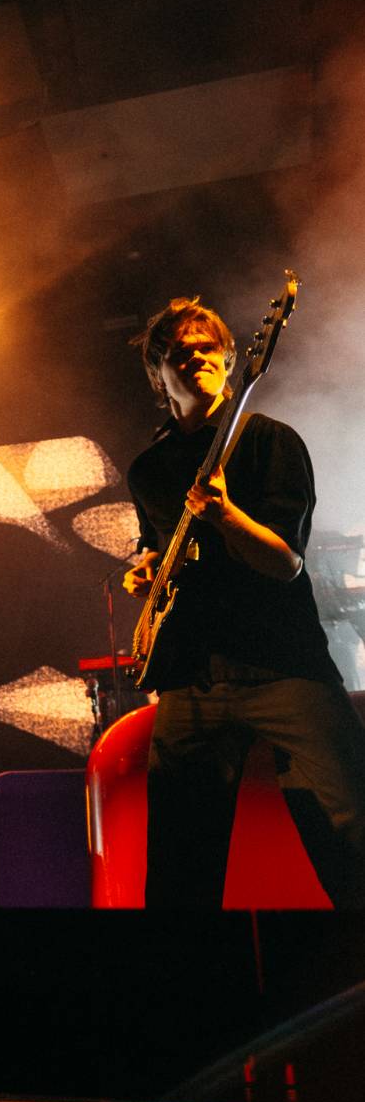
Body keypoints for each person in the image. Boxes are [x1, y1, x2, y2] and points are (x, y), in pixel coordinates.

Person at [123, 297, 365, 907]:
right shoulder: (148, 470)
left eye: (208, 347)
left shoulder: (268, 441)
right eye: (181, 352)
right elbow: (157, 545)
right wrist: (147, 570)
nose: (198, 357)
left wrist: (226, 516)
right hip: (192, 681)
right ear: (157, 375)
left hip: (284, 668)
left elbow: (286, 563)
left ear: (234, 360)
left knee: (353, 831)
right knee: (179, 869)